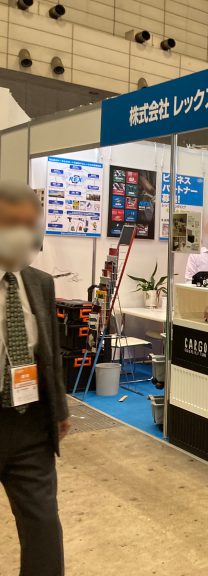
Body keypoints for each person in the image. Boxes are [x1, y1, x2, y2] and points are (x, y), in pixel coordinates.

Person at [0, 181, 70, 576]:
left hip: (29, 425)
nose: (21, 234)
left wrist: (60, 410)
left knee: (43, 528)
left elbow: (50, 356)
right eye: (11, 223)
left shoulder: (39, 282)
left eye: (29, 225)